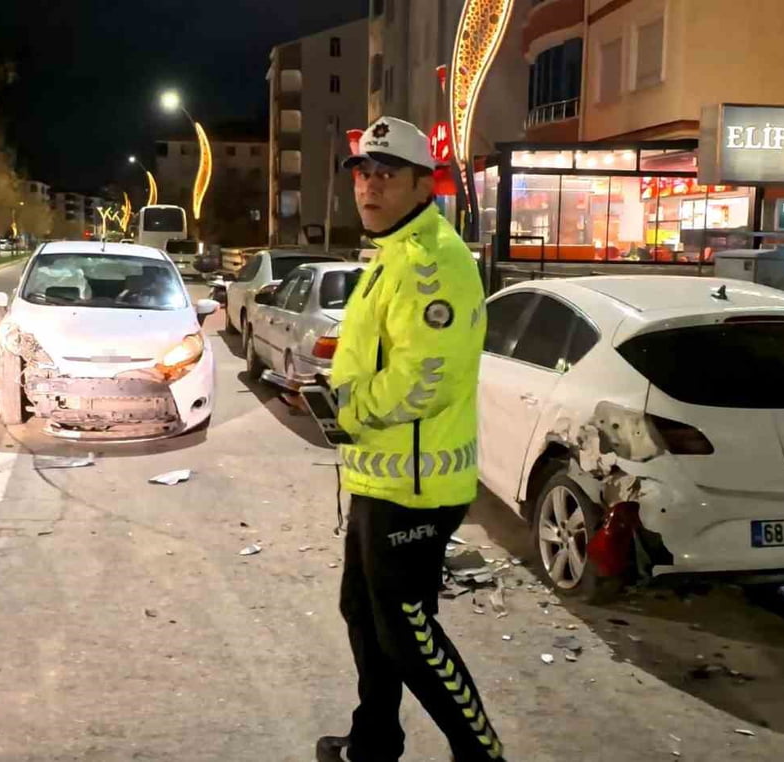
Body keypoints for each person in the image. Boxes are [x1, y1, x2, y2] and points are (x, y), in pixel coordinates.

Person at [316, 117, 503, 762]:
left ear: (424, 185)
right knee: (364, 616)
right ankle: (374, 742)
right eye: (364, 174)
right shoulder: (391, 253)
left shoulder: (432, 264)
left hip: (418, 488)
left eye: (387, 175)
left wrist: (351, 411)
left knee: (408, 631)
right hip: (382, 474)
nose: (369, 187)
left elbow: (426, 379)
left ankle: (481, 754)